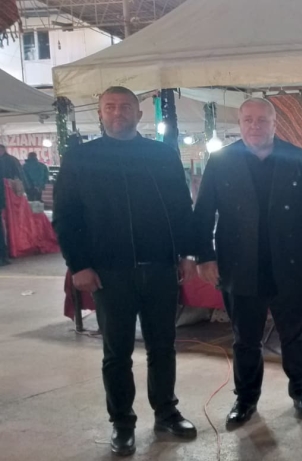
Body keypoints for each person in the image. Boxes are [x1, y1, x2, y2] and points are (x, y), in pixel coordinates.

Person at [52, 86, 198, 457]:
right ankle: (122, 422)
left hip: (160, 268)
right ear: (100, 113)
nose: (118, 113)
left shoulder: (162, 155)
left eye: (125, 107)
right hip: (109, 273)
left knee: (162, 347)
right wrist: (78, 264)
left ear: (139, 113)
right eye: (110, 107)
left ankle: (166, 412)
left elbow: (181, 207)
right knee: (117, 353)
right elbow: (66, 216)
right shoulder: (81, 158)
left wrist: (187, 253)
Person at [193, 98, 302, 426]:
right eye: (248, 120)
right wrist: (205, 256)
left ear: (274, 123)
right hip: (239, 266)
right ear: (239, 123)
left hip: (290, 265)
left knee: (295, 336)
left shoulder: (298, 158)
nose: (255, 126)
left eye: (262, 120)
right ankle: (246, 398)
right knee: (245, 340)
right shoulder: (221, 160)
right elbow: (203, 211)